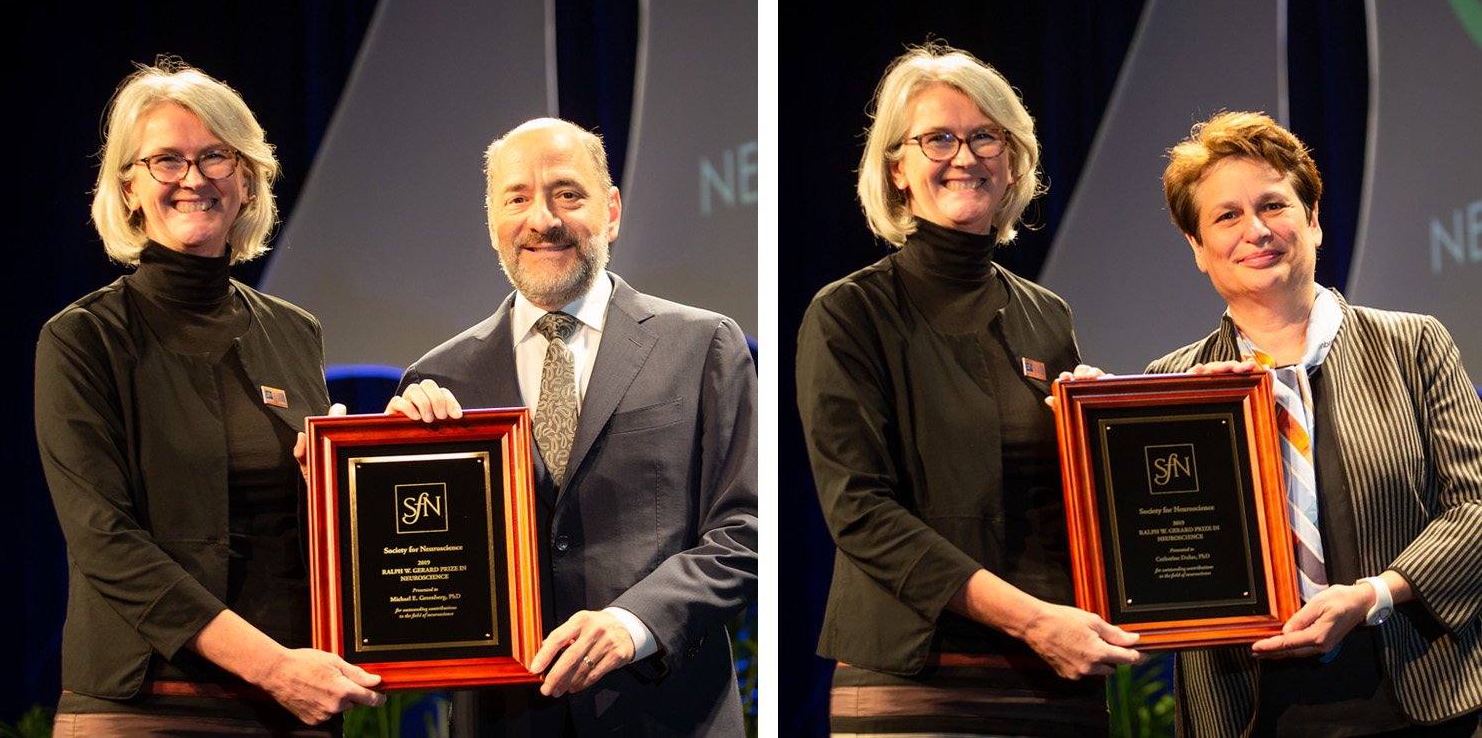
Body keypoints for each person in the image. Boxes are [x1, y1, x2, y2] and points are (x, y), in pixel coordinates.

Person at [794, 42, 1143, 738]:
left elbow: (1068, 505)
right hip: (916, 679)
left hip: (1058, 677)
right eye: (938, 138)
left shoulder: (1048, 316)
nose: (965, 155)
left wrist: (1099, 434)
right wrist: (1033, 621)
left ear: (1013, 159)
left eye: (986, 136)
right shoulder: (848, 312)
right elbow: (860, 513)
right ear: (897, 167)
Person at [34, 58, 391, 736]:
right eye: (165, 160)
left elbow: (311, 529)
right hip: (144, 708)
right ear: (129, 188)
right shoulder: (82, 340)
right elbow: (106, 543)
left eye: (215, 157)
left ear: (248, 180)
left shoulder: (294, 333)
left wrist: (382, 463)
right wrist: (273, 668)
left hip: (294, 708)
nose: (192, 179)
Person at [394, 117, 757, 737]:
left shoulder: (704, 345)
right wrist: (397, 466)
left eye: (567, 193)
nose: (542, 219)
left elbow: (749, 532)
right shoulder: (436, 381)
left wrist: (633, 624)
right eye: (517, 198)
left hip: (668, 715)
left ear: (610, 211)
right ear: (492, 222)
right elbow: (417, 573)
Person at [1150, 111, 1482, 736]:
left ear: (1314, 221)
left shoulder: (1413, 345)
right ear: (1197, 248)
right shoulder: (1172, 384)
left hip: (1424, 702)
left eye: (1274, 205)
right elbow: (1157, 560)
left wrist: (1376, 594)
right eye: (1225, 216)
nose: (1255, 229)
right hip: (1248, 714)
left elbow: (1478, 509)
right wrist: (1088, 442)